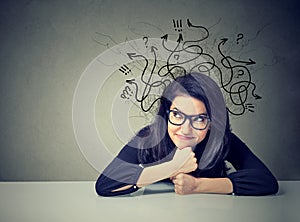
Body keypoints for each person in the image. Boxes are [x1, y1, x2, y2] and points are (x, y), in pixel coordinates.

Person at [95, 73, 279, 197]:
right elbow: (105, 184)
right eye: (177, 115)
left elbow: (266, 181)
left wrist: (198, 186)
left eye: (199, 119)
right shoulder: (149, 137)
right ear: (166, 114)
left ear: (212, 122)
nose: (185, 129)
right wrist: (171, 167)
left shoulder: (221, 139)